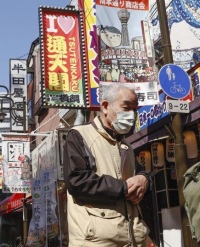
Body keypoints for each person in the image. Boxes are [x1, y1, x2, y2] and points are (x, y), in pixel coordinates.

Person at [63, 83, 151, 246]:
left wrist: (144, 179)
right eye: (126, 107)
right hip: (95, 241)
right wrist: (124, 187)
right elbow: (77, 181)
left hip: (133, 239)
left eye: (135, 110)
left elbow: (140, 173)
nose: (132, 115)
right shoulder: (79, 135)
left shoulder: (126, 145)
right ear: (105, 106)